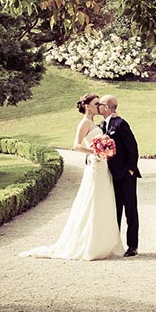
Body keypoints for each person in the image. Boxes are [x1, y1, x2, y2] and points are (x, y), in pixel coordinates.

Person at [19, 93, 124, 261]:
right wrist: (95, 150)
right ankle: (90, 245)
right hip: (95, 163)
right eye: (97, 104)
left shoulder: (97, 123)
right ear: (88, 107)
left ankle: (105, 243)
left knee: (105, 200)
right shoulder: (84, 123)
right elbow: (76, 145)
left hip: (102, 165)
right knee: (93, 201)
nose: (99, 106)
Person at [98, 94, 140, 257]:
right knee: (114, 211)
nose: (98, 107)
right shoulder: (101, 125)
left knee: (130, 210)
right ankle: (115, 244)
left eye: (100, 104)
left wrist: (130, 170)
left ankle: (133, 246)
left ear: (107, 107)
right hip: (110, 176)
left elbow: (133, 148)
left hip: (126, 176)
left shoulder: (121, 124)